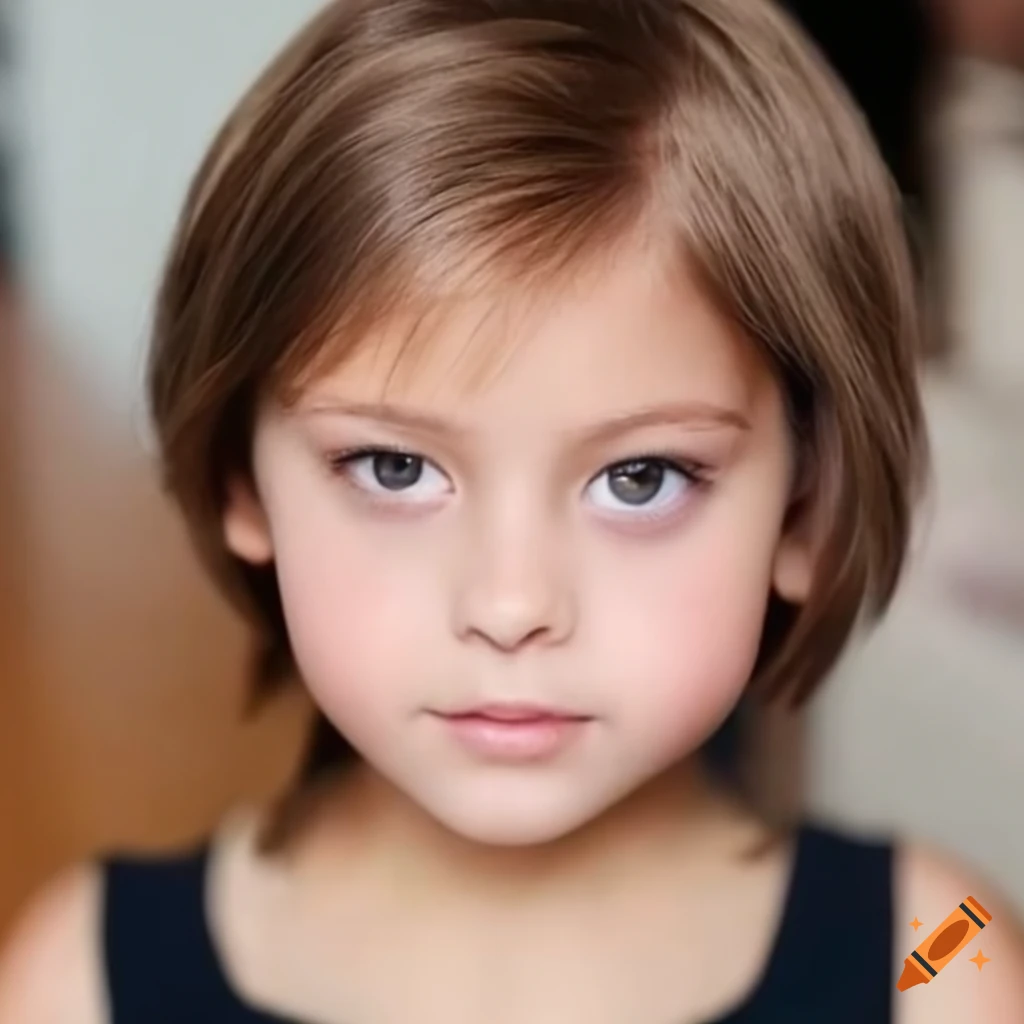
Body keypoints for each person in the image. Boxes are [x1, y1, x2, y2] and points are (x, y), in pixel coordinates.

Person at [2, 0, 1023, 1021]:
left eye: (640, 479)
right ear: (242, 480)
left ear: (806, 507)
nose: (509, 602)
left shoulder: (934, 954)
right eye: (394, 468)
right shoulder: (78, 983)